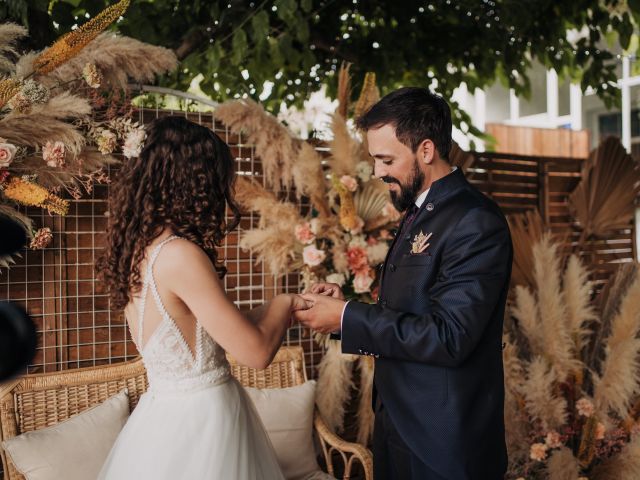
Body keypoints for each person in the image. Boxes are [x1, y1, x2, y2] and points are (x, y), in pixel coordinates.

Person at [294, 87, 512, 480]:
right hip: (396, 421)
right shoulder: (419, 211)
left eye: (386, 159)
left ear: (425, 151)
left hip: (444, 441)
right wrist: (343, 303)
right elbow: (414, 310)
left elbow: (449, 335)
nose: (377, 172)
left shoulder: (475, 221)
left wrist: (347, 318)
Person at [96, 116, 307, 479]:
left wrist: (292, 307)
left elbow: (208, 333)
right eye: (219, 179)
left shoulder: (140, 252)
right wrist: (282, 302)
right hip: (203, 425)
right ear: (194, 182)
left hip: (164, 419)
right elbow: (255, 352)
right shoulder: (180, 254)